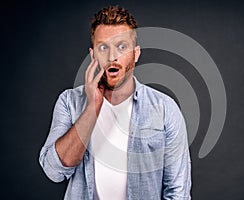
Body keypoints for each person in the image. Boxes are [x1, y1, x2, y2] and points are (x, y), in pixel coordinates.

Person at [39, 5, 191, 200]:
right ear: (93, 55)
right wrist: (92, 107)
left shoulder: (165, 109)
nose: (112, 57)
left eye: (121, 46)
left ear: (135, 54)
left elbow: (178, 191)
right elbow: (54, 172)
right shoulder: (69, 102)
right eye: (104, 47)